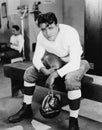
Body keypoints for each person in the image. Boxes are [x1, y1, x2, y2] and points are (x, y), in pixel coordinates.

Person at [8, 12, 90, 130]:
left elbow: (75, 62)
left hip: (77, 61)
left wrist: (55, 74)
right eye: (43, 29)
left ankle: (73, 121)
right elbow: (36, 58)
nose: (47, 33)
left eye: (50, 28)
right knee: (29, 72)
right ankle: (26, 109)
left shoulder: (69, 33)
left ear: (57, 25)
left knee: (70, 80)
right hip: (57, 60)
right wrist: (44, 70)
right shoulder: (42, 36)